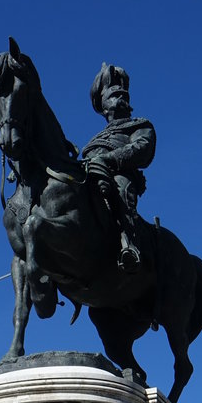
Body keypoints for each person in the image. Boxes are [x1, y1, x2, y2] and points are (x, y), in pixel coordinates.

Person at [81, 63, 156, 271]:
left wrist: (108, 160)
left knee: (121, 186)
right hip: (91, 178)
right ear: (104, 106)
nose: (121, 99)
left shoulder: (140, 126)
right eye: (114, 96)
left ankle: (128, 244)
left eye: (124, 96)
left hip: (119, 175)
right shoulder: (94, 140)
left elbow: (142, 148)